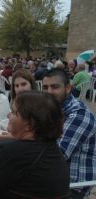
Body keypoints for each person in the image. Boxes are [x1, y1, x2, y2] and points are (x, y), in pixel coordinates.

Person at [42, 68, 96, 198]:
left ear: (68, 88)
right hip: (51, 175)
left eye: (54, 87)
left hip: (71, 186)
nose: (49, 92)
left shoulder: (79, 114)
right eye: (45, 87)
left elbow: (59, 154)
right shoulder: (52, 109)